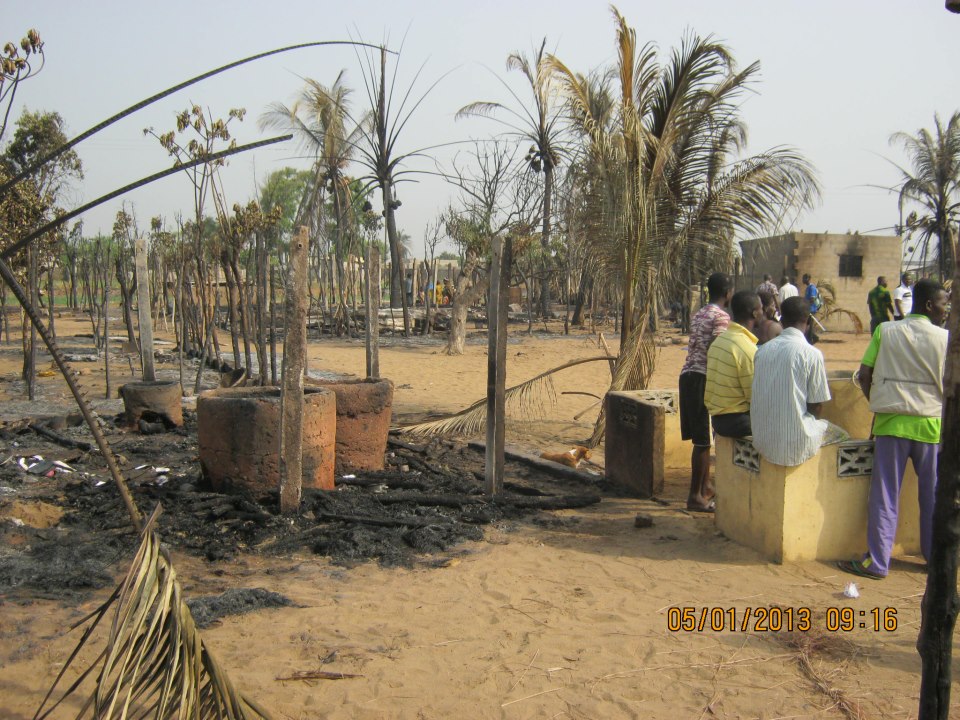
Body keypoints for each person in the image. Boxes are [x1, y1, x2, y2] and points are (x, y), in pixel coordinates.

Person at [838, 279, 949, 580]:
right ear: (928, 305)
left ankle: (877, 562)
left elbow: (864, 374)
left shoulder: (885, 331)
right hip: (931, 426)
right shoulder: (946, 338)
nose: (946, 310)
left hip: (891, 424)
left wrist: (878, 400)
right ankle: (934, 559)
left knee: (886, 494)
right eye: (942, 304)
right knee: (932, 496)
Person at [750, 296, 832, 466]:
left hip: (762, 440)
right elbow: (816, 406)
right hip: (794, 445)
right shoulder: (812, 354)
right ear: (808, 320)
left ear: (782, 319)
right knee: (838, 433)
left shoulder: (762, 351)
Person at [679, 272, 733, 512]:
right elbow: (717, 348)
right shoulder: (721, 316)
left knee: (700, 438)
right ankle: (695, 497)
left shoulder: (699, 313)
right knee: (702, 443)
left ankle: (706, 486)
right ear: (728, 292)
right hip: (702, 377)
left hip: (687, 376)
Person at [704, 290, 762, 438]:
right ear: (755, 313)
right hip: (736, 420)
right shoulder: (746, 348)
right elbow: (754, 398)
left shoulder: (720, 341)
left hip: (717, 419)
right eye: (761, 309)